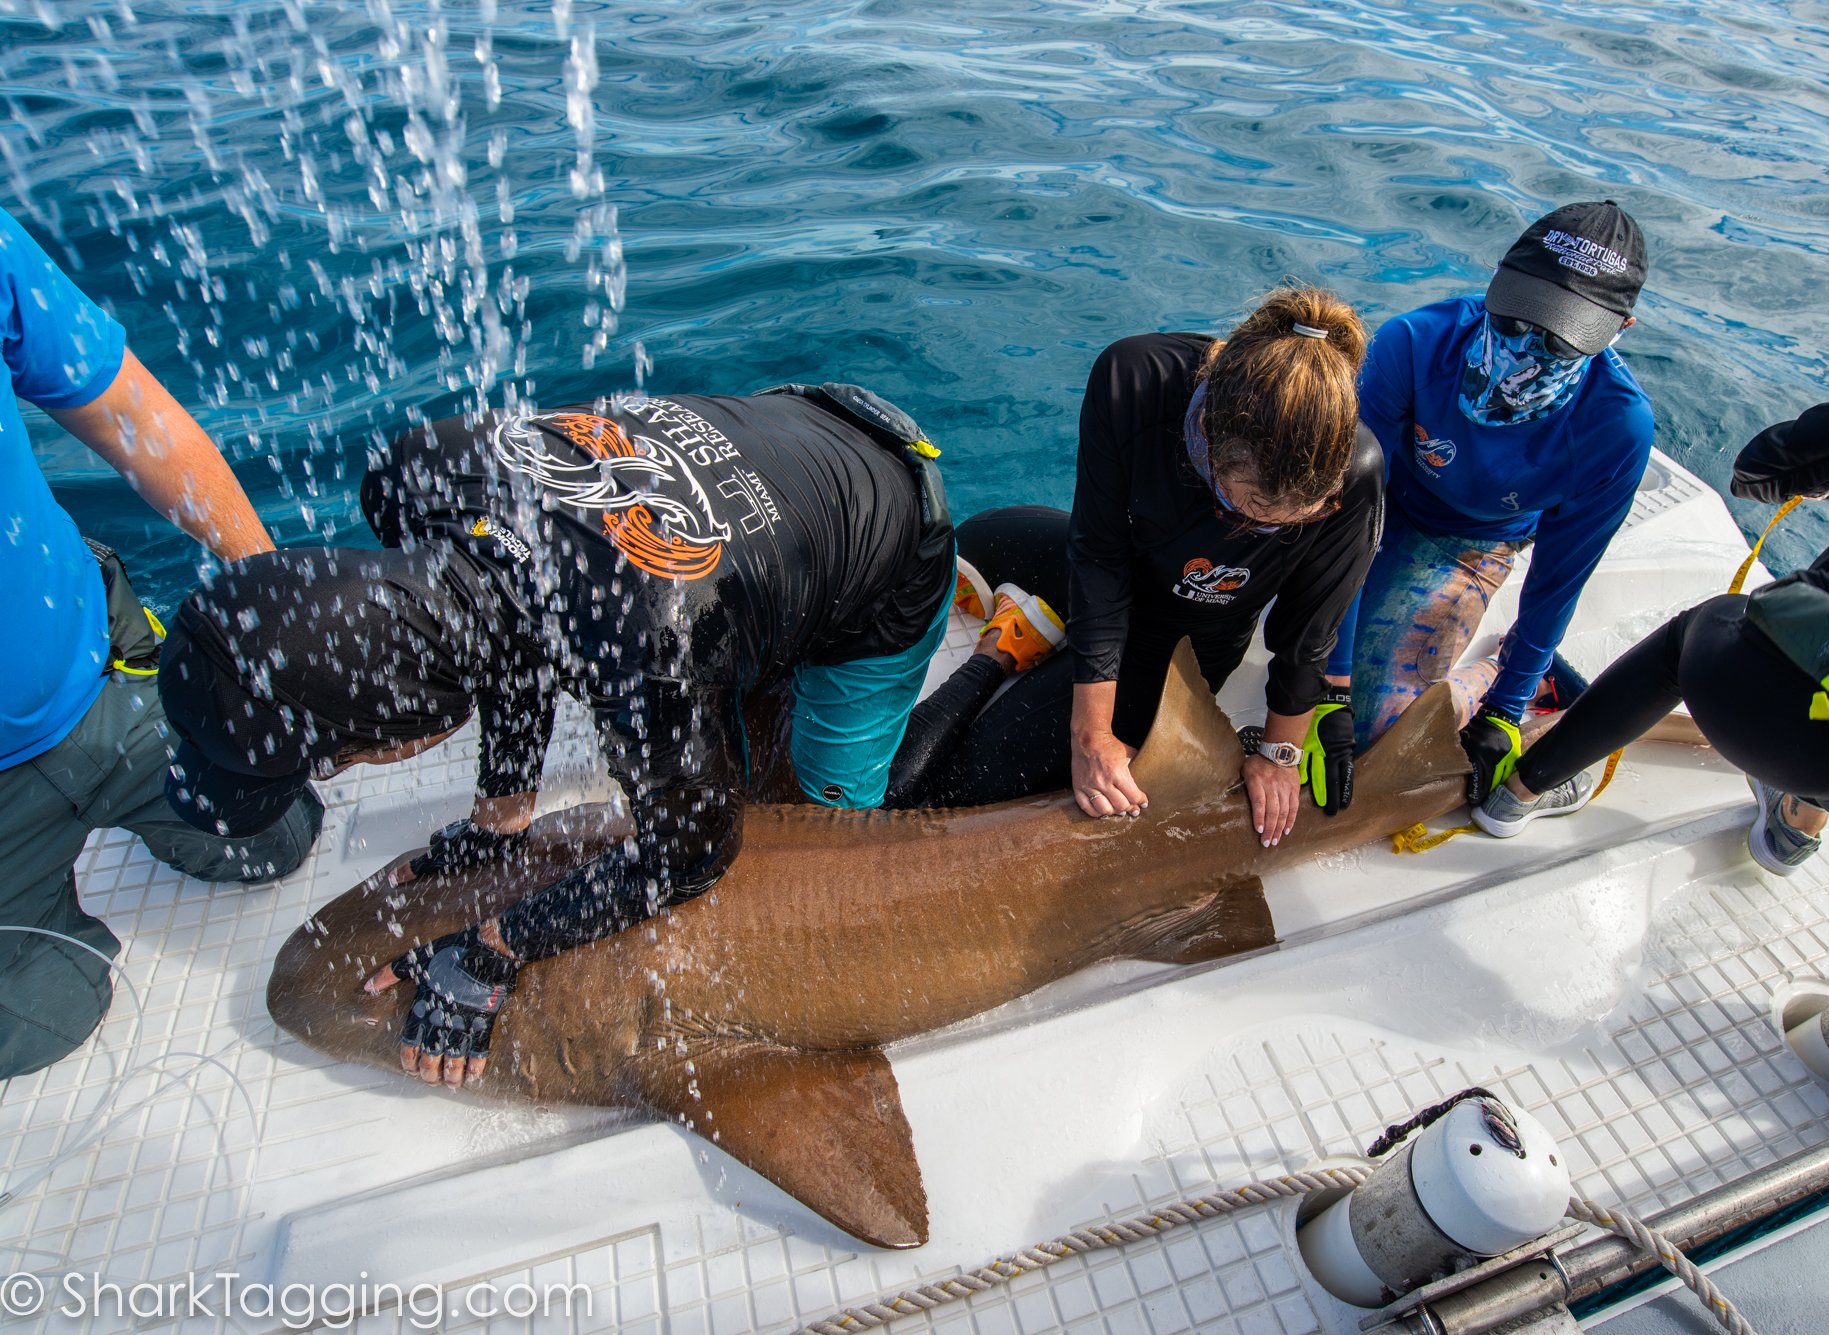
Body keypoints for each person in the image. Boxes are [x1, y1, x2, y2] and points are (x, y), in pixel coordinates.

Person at [158, 386, 962, 1087]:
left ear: (400, 733)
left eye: (333, 764)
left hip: (887, 513)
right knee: (713, 730)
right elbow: (507, 613)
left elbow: (693, 856)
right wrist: (499, 819)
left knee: (828, 830)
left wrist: (498, 943)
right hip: (778, 449)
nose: (336, 776)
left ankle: (995, 664)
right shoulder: (411, 472)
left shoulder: (645, 656)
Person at [0, 204, 322, 1080]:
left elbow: (134, 419)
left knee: (280, 829)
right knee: (42, 1017)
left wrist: (274, 598)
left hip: (101, 667)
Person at [884, 287, 1384, 850]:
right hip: (1105, 569)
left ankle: (1006, 647)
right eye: (1248, 511)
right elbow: (1097, 554)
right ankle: (1010, 644)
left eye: (1283, 524)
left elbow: (1307, 636)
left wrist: (1277, 754)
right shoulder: (1136, 377)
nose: (1257, 533)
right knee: (974, 540)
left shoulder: (1356, 472)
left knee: (953, 791)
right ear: (1211, 449)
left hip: (1186, 633)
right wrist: (1090, 732)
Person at [1477, 358, 1829, 875]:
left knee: (1709, 635)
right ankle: (1795, 831)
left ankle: (1518, 794)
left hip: (1770, 707)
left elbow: (1769, 464)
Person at [1323, 201, 1654, 806]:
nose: (1527, 347)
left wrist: (1507, 707)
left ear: (1617, 331)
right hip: (1375, 503)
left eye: (1560, 338)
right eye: (1515, 319)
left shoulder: (1617, 428)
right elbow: (1342, 517)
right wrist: (1329, 691)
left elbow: (1558, 581)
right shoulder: (1413, 344)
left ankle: (1523, 679)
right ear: (1498, 278)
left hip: (1471, 541)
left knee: (1378, 740)